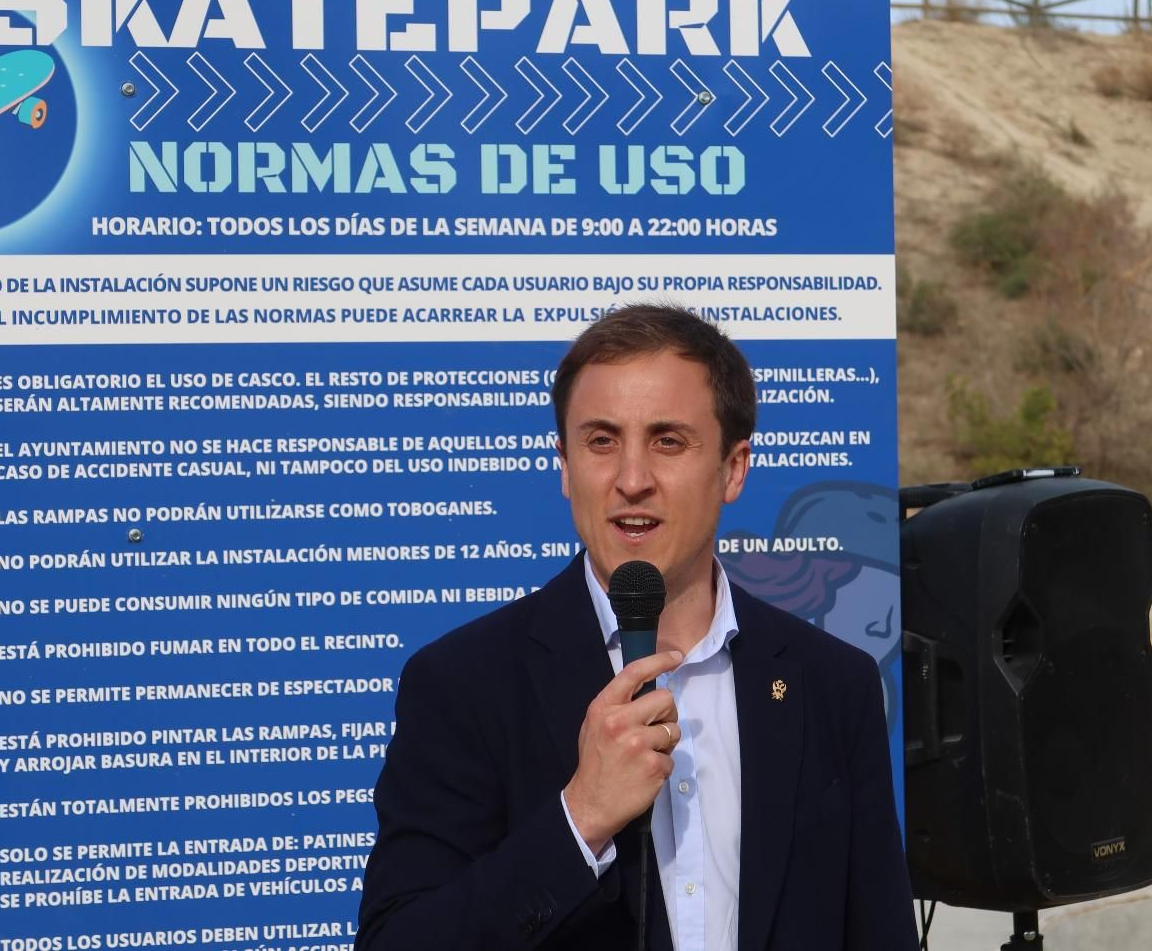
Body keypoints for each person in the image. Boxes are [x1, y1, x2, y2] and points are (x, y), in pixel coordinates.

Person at [355, 305, 917, 950]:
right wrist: (581, 818)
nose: (631, 480)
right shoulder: (462, 683)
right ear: (565, 466)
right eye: (601, 441)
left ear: (733, 469)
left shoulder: (831, 682)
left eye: (667, 441)